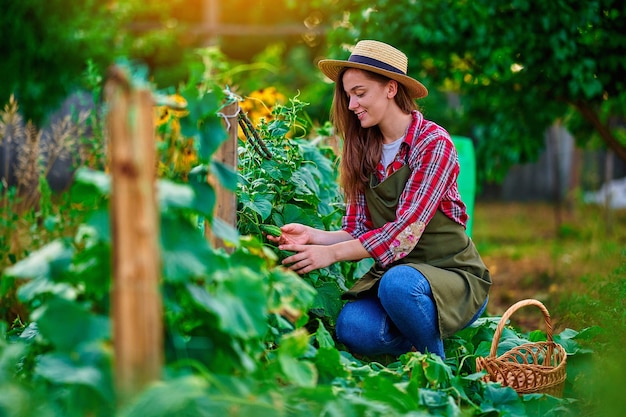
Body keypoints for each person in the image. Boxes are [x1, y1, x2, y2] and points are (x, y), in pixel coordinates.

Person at [267, 40, 491, 359]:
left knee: (396, 283)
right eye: (348, 96)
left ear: (390, 88)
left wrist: (331, 255)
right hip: (403, 281)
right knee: (352, 327)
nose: (352, 104)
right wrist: (315, 237)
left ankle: (435, 365)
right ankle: (420, 327)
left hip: (453, 276)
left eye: (360, 93)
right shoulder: (363, 148)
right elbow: (359, 228)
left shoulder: (432, 143)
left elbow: (405, 232)